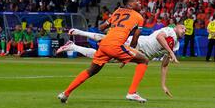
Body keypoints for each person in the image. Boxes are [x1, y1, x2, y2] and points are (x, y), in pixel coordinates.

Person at [58, 0, 151, 104]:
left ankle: (65, 94)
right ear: (130, 4)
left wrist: (115, 28)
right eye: (137, 1)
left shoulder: (117, 11)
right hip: (115, 45)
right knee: (143, 60)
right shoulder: (139, 17)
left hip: (105, 43)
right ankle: (132, 92)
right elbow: (135, 38)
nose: (140, 3)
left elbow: (101, 27)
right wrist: (131, 50)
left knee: (91, 71)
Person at [58, 24, 186, 98]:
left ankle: (73, 46)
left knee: (103, 57)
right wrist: (170, 52)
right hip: (137, 45)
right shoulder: (170, 30)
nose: (184, 31)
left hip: (137, 56)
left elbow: (164, 65)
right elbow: (159, 37)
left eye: (185, 30)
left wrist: (163, 85)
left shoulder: (176, 45)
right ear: (176, 27)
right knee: (108, 41)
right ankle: (80, 33)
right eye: (183, 28)